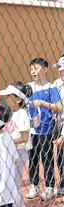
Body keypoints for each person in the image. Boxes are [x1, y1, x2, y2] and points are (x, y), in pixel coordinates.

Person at [26, 57, 63, 200]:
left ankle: (48, 186)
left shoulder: (51, 87)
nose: (33, 71)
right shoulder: (29, 87)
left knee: (47, 158)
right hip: (32, 130)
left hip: (46, 130)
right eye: (31, 69)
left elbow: (59, 107)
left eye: (36, 68)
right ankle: (34, 185)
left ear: (45, 69)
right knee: (33, 158)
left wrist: (42, 102)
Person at [0, 81, 32, 207]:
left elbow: (24, 137)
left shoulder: (22, 113)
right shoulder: (11, 113)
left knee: (13, 182)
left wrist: (7, 141)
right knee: (10, 182)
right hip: (11, 152)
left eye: (8, 96)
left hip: (19, 152)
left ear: (17, 99)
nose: (5, 98)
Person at [53, 55, 64, 196]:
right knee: (60, 156)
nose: (60, 72)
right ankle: (62, 183)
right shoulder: (56, 83)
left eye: (61, 70)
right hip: (58, 123)